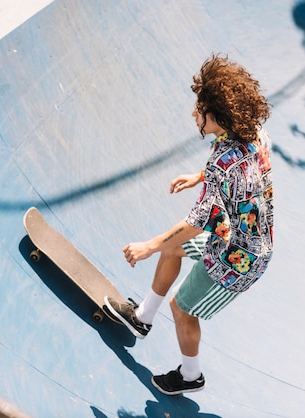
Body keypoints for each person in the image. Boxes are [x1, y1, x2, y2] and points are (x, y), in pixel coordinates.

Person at [105, 53, 274, 395]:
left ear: (218, 115)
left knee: (182, 308)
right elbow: (240, 173)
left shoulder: (223, 165)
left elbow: (197, 222)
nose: (193, 113)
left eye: (199, 109)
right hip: (236, 235)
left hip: (240, 260)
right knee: (174, 250)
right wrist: (200, 176)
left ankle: (190, 375)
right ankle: (142, 319)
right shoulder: (254, 134)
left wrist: (148, 246)